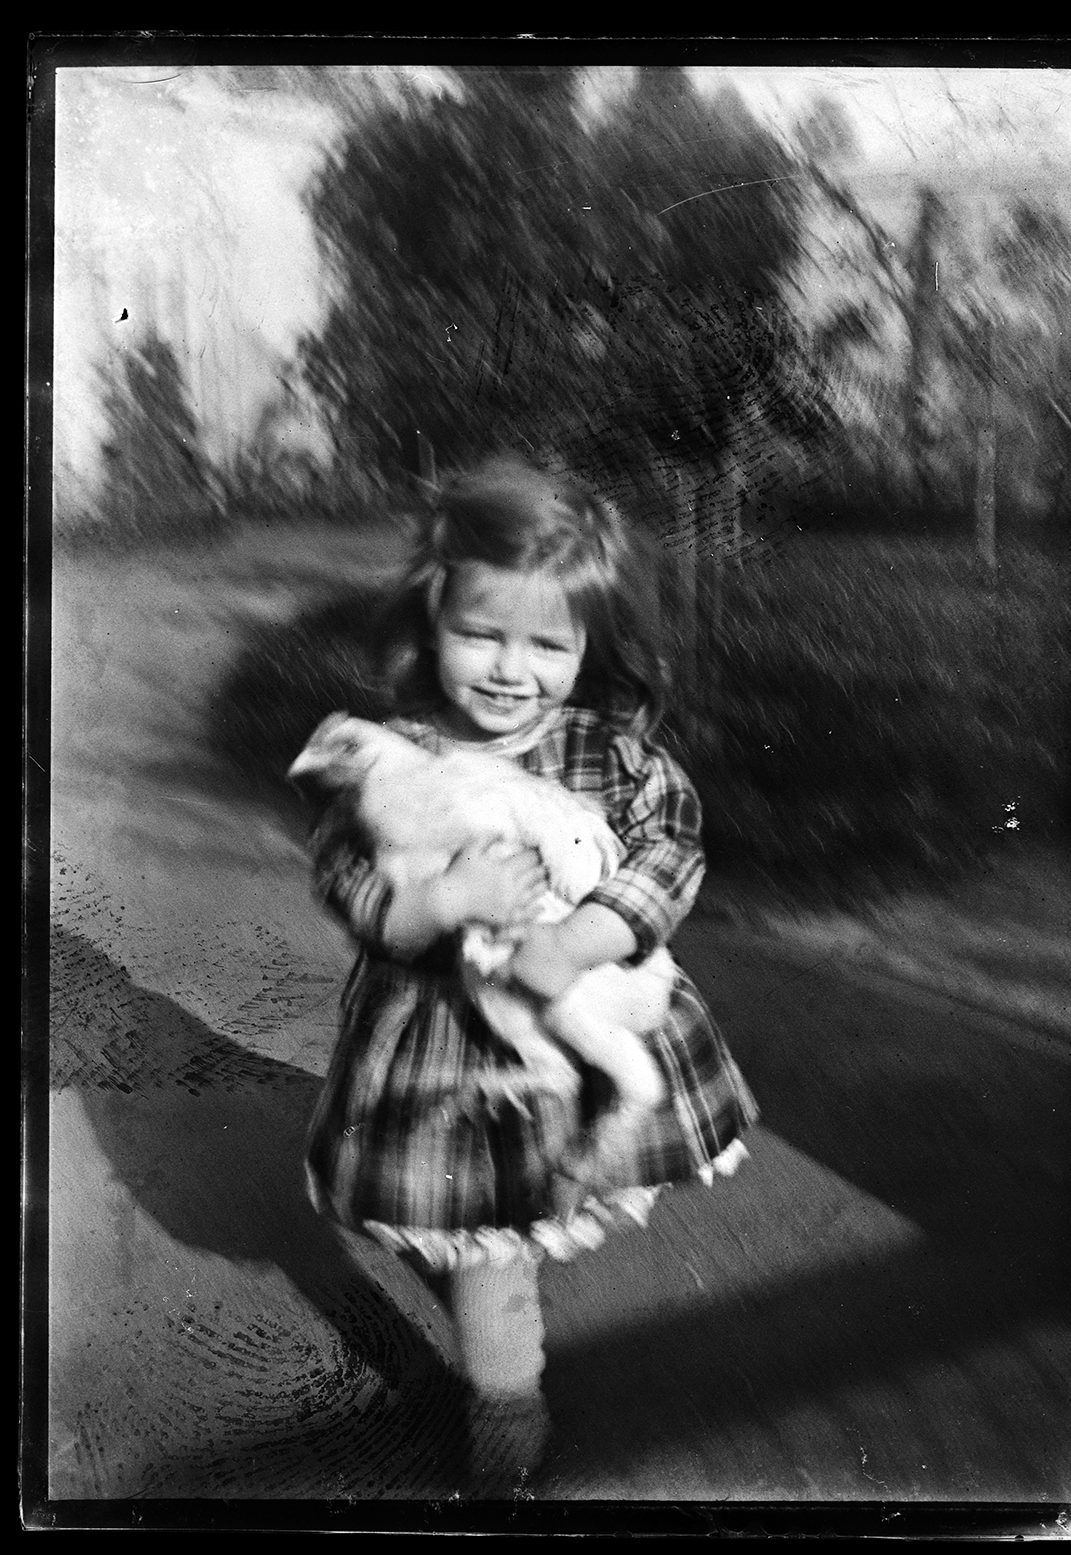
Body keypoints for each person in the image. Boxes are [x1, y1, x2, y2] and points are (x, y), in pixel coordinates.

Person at [297, 455, 759, 1492]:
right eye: (482, 635)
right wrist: (434, 904)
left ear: (589, 643)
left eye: (548, 644)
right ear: (433, 622)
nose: (512, 670)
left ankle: (543, 1218)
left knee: (512, 1223)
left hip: (577, 1000)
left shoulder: (609, 756)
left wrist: (582, 937)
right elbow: (343, 871)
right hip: (446, 1045)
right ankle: (507, 1398)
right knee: (483, 1247)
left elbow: (671, 852)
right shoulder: (394, 754)